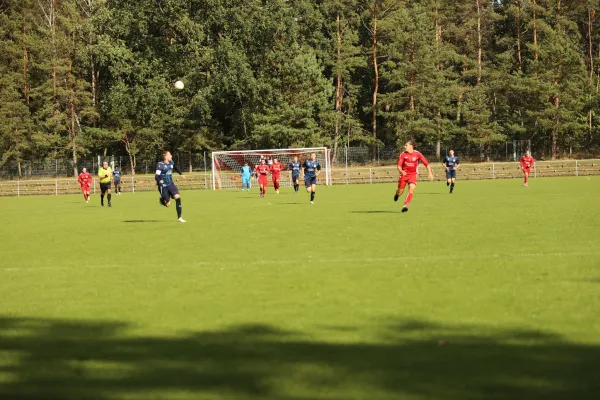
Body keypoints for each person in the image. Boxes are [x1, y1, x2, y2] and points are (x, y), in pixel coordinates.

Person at [394, 139, 434, 213]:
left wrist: (430, 173)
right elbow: (398, 166)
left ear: (411, 146)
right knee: (400, 192)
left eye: (406, 145)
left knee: (411, 189)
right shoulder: (403, 154)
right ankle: (397, 194)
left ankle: (405, 206)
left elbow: (426, 163)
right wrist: (402, 171)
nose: (404, 146)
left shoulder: (418, 154)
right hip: (404, 175)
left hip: (413, 175)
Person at [155, 151, 186, 223]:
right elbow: (156, 176)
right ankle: (163, 200)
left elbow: (175, 167)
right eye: (170, 155)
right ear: (165, 157)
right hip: (163, 186)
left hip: (171, 184)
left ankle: (179, 217)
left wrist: (181, 174)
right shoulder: (160, 165)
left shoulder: (171, 162)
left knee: (178, 197)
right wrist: (159, 180)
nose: (171, 156)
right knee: (168, 204)